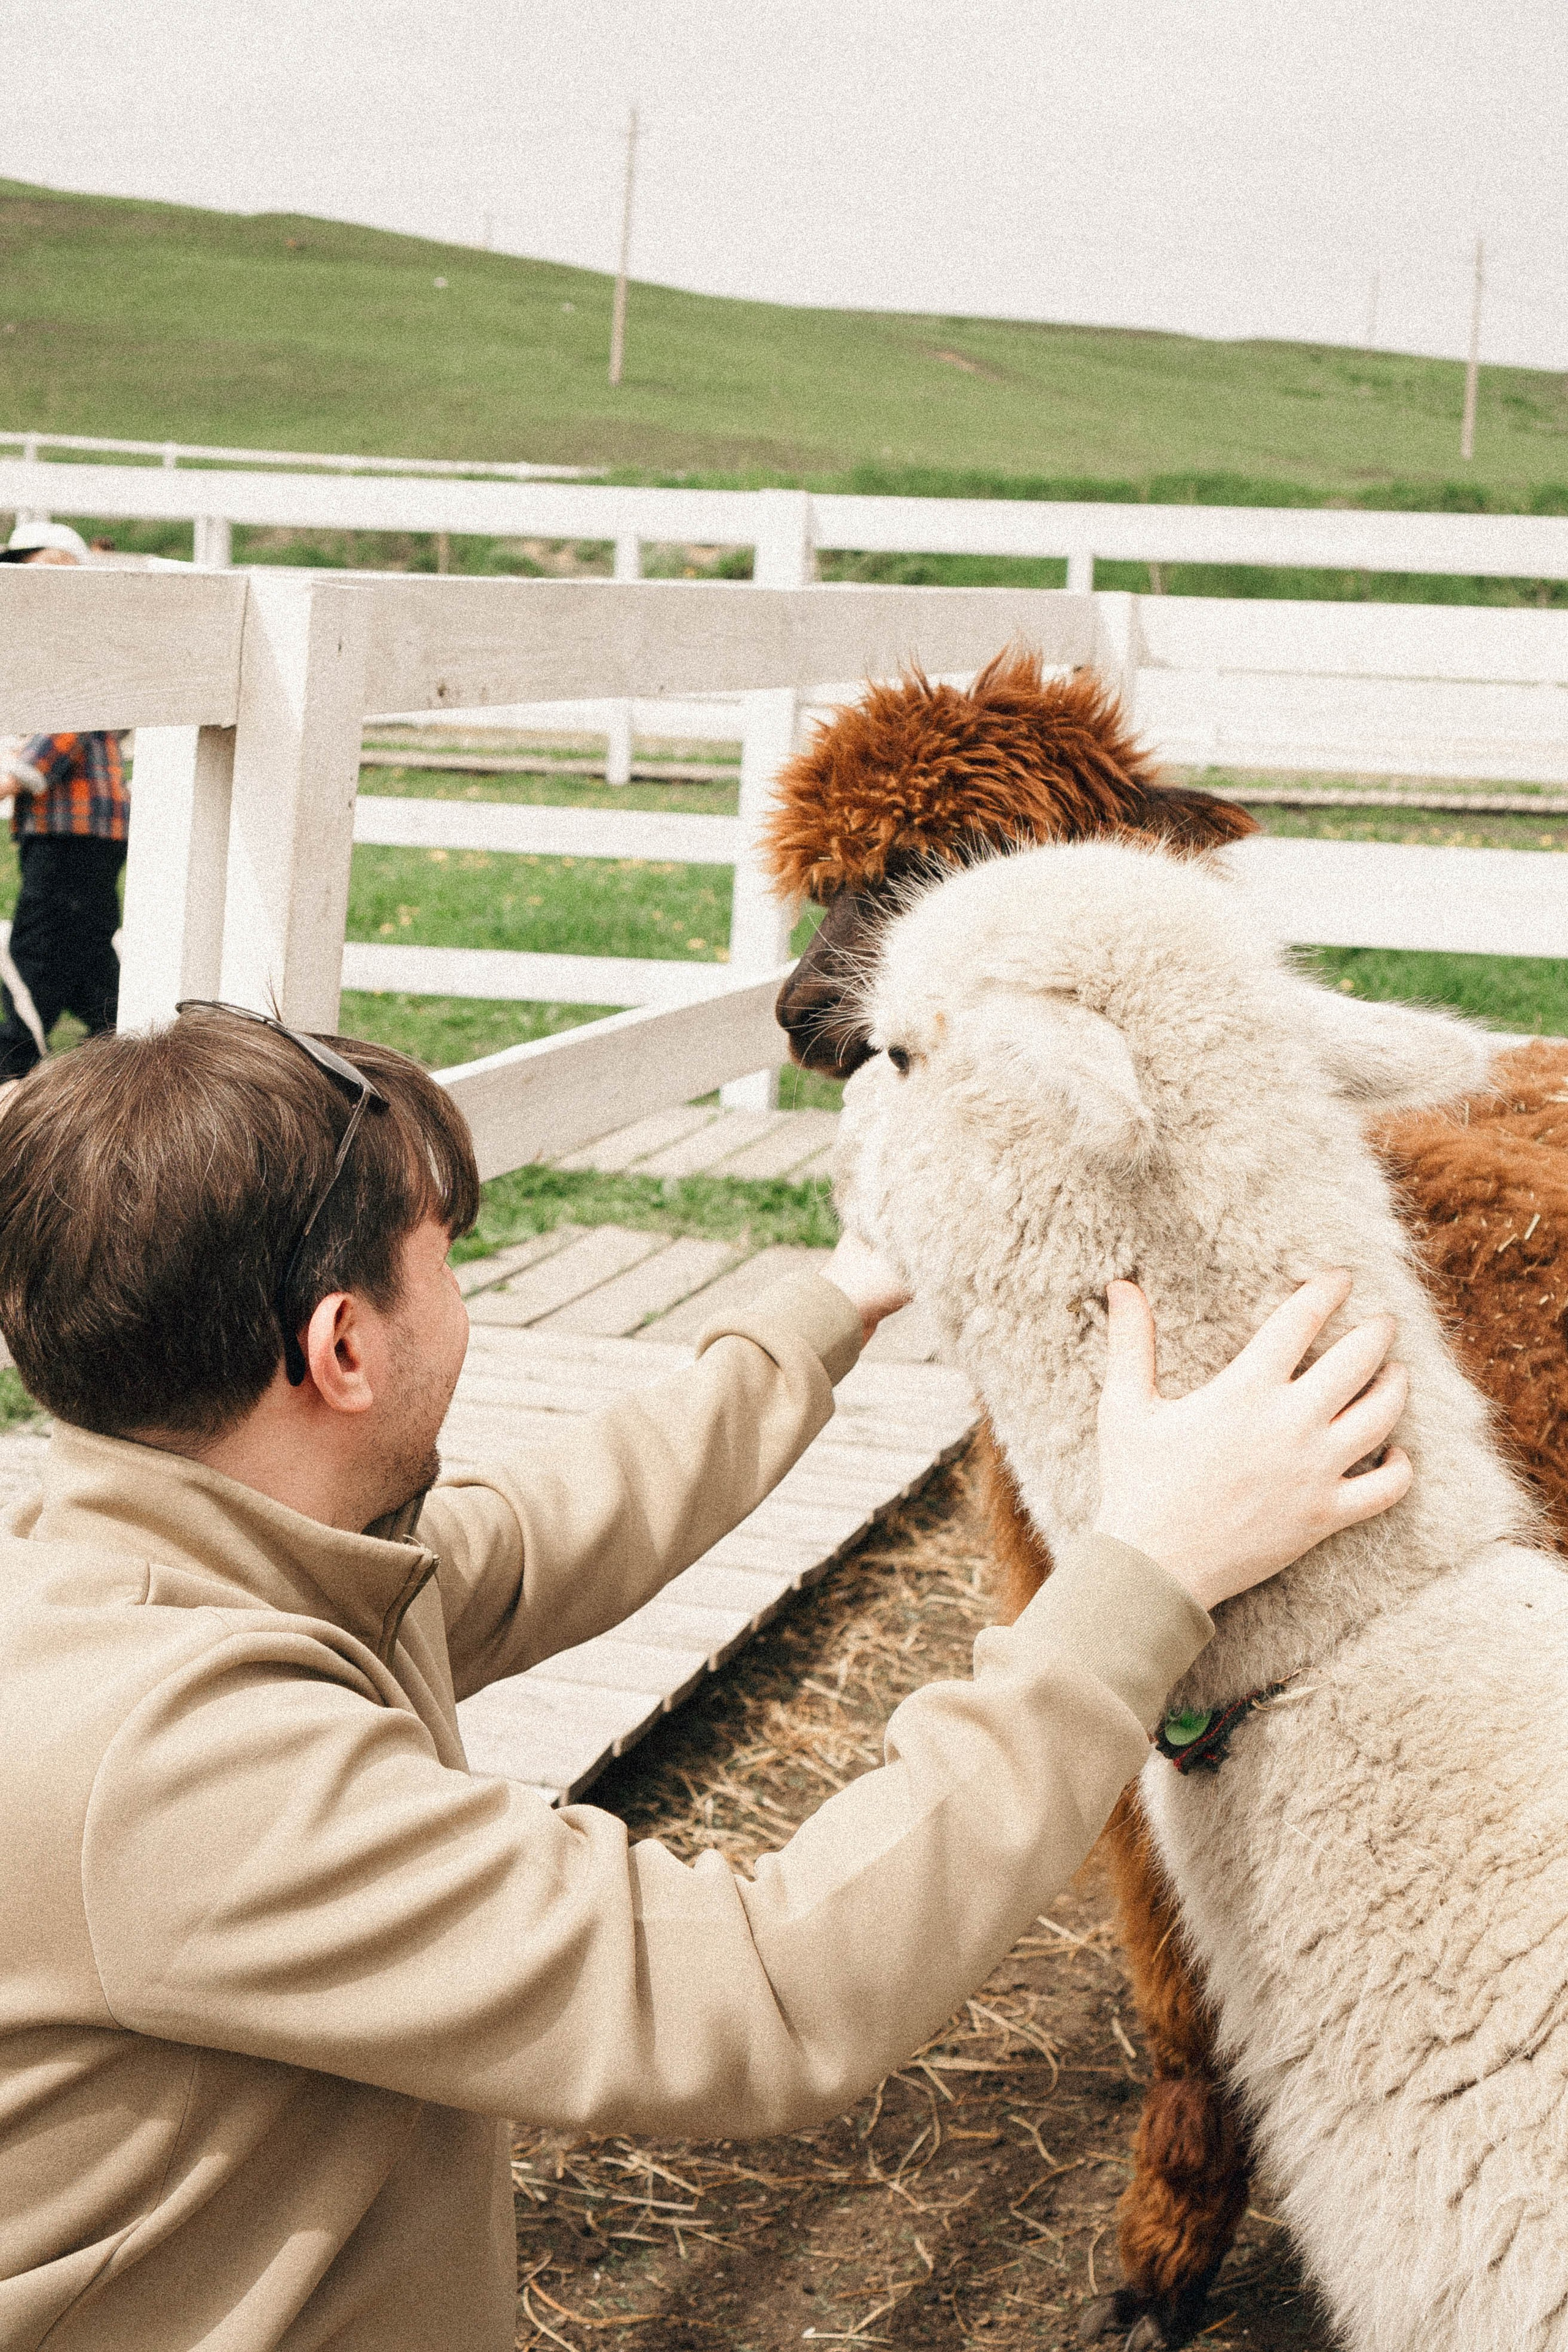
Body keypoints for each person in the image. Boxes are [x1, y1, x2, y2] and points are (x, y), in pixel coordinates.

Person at [0, 1007, 1411, 2351]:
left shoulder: (204, 1551)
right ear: (345, 1345)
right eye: (445, 1254)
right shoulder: (180, 1763)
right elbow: (770, 1985)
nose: (462, 1290)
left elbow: (546, 1532)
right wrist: (1146, 1564)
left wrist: (837, 1296)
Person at [0, 520, 130, 1081]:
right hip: (77, 829)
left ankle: (11, 1061)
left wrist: (13, 775)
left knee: (39, 944)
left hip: (72, 828)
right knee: (87, 956)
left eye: (44, 565)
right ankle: (127, 1054)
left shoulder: (75, 643)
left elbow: (59, 733)